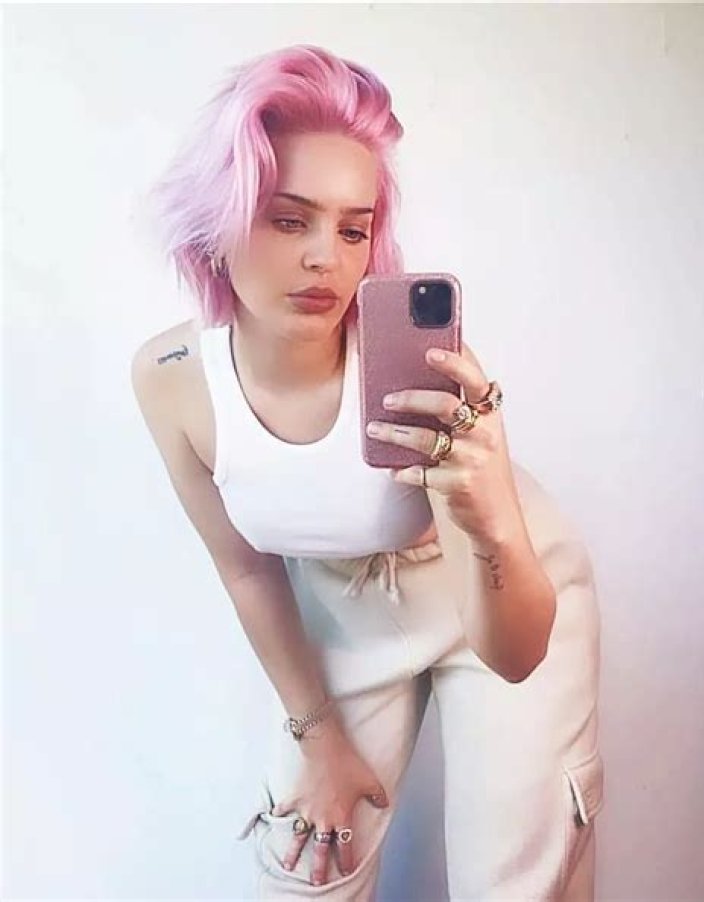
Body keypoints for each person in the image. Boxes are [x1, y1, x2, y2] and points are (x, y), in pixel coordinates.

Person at [131, 44, 604, 900]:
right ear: (217, 224)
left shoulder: (418, 369)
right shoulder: (173, 381)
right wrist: (317, 739)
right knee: (304, 869)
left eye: (354, 229)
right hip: (343, 603)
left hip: (501, 586)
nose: (329, 258)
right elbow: (246, 568)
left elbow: (515, 653)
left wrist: (492, 515)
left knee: (514, 881)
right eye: (289, 220)